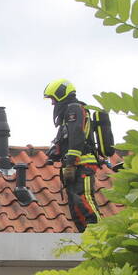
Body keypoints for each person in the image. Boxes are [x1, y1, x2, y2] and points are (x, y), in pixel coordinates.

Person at [43, 78, 102, 232]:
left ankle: (101, 236)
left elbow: (77, 136)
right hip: (74, 165)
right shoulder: (67, 114)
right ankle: (86, 235)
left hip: (82, 164)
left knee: (84, 199)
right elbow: (66, 140)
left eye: (53, 99)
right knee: (76, 205)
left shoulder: (74, 109)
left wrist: (70, 162)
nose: (53, 104)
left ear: (61, 94)